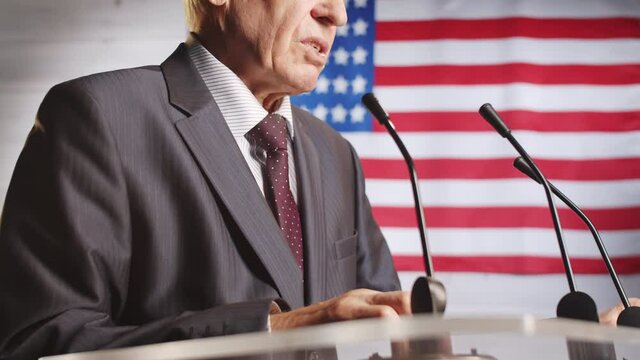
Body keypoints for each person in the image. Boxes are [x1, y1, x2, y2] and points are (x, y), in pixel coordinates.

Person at [0, 0, 409, 358]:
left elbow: (382, 326)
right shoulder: (97, 116)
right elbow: (41, 344)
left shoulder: (334, 152)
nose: (336, 13)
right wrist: (268, 334)